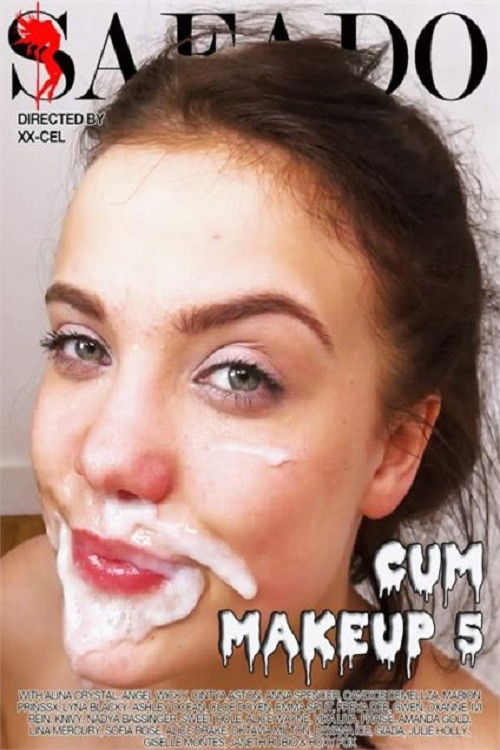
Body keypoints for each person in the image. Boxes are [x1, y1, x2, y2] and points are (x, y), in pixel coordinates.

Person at [1, 31, 499, 749]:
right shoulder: (20, 616)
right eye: (84, 345)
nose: (105, 458)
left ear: (394, 449)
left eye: (240, 375)